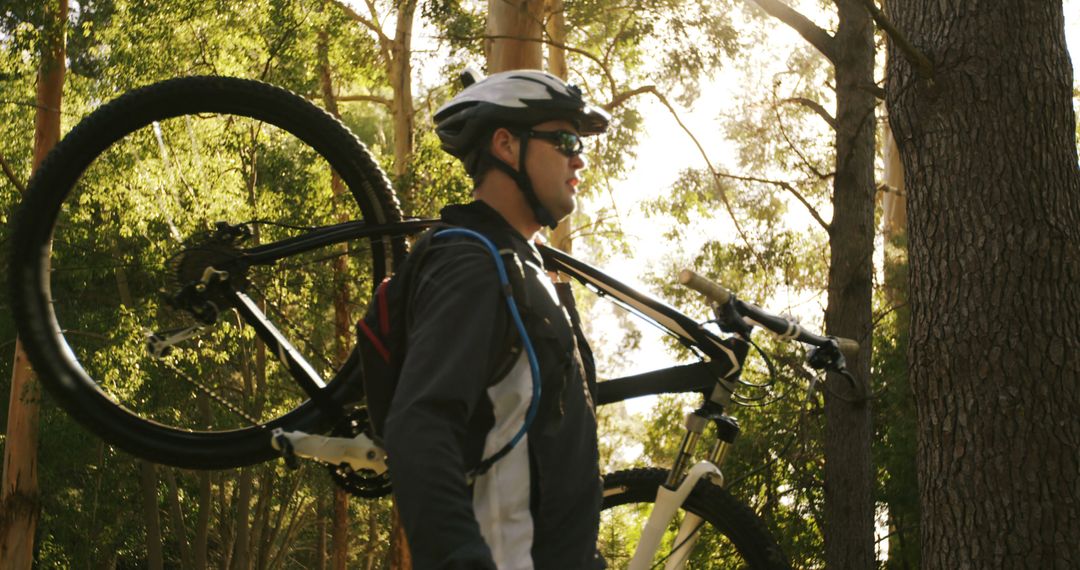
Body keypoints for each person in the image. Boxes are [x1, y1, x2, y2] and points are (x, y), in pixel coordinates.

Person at [381, 69, 610, 569]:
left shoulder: (523, 267)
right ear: (506, 145)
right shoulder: (471, 262)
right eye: (566, 139)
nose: (580, 157)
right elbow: (421, 424)